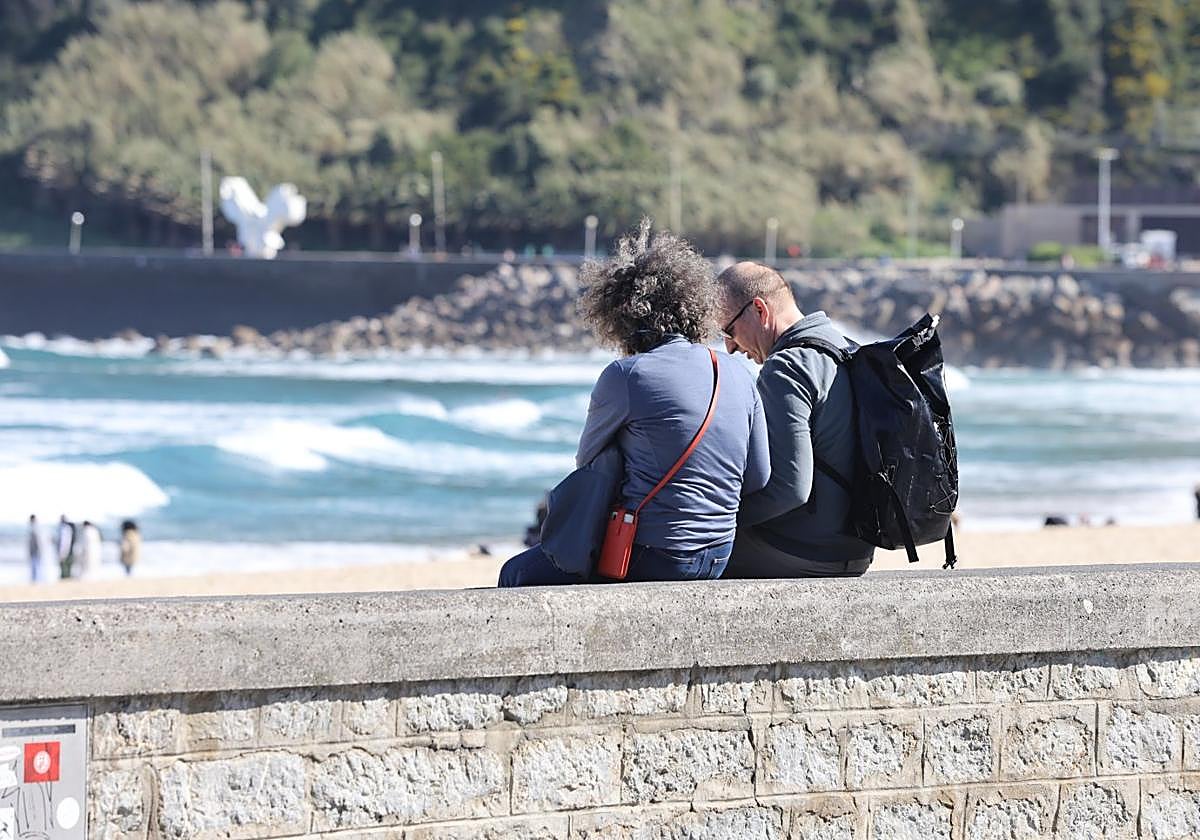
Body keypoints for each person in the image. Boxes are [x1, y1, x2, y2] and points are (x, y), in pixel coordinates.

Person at [499, 221, 770, 586]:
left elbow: (588, 464)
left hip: (652, 555)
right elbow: (759, 476)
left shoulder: (627, 375)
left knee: (515, 572)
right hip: (720, 553)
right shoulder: (736, 372)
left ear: (621, 317)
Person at [716, 261, 874, 577]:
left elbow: (790, 490)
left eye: (729, 330)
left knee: (679, 551)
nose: (730, 347)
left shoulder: (786, 369)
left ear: (760, 310)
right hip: (857, 550)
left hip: (807, 551)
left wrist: (718, 520)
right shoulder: (845, 348)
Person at [56, 515, 76, 579]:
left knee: (65, 566)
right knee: (66, 566)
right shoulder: (65, 528)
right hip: (67, 550)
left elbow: (65, 542)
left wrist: (63, 553)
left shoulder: (65, 528)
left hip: (66, 551)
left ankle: (66, 578)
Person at [27, 515, 41, 583]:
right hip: (34, 551)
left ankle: (35, 580)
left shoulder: (34, 528)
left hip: (35, 551)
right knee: (34, 567)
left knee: (35, 567)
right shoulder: (34, 528)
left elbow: (36, 542)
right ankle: (35, 580)